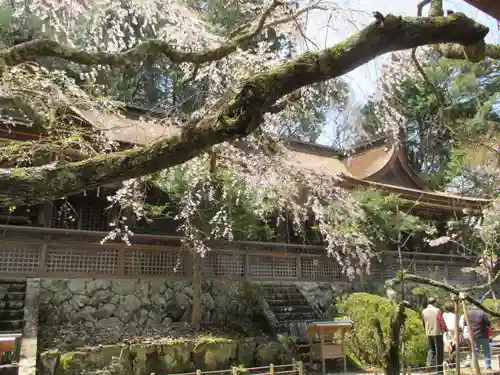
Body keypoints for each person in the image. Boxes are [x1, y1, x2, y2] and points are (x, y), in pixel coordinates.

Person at [422, 298, 447, 373]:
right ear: (434, 303)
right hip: (437, 332)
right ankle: (439, 370)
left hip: (429, 333)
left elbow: (423, 322)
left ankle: (428, 364)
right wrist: (445, 330)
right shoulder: (437, 310)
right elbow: (441, 321)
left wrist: (426, 329)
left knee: (431, 350)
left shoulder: (424, 311)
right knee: (439, 351)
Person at [466, 305, 492, 370]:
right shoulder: (483, 313)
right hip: (483, 334)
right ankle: (488, 365)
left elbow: (465, 323)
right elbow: (488, 323)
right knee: (487, 350)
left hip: (473, 335)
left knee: (475, 351)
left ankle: (474, 366)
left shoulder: (468, 313)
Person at [443, 302, 457, 366]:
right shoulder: (453, 316)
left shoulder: (444, 315)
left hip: (446, 333)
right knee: (455, 349)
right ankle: (450, 360)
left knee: (450, 349)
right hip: (452, 333)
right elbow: (452, 327)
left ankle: (452, 364)